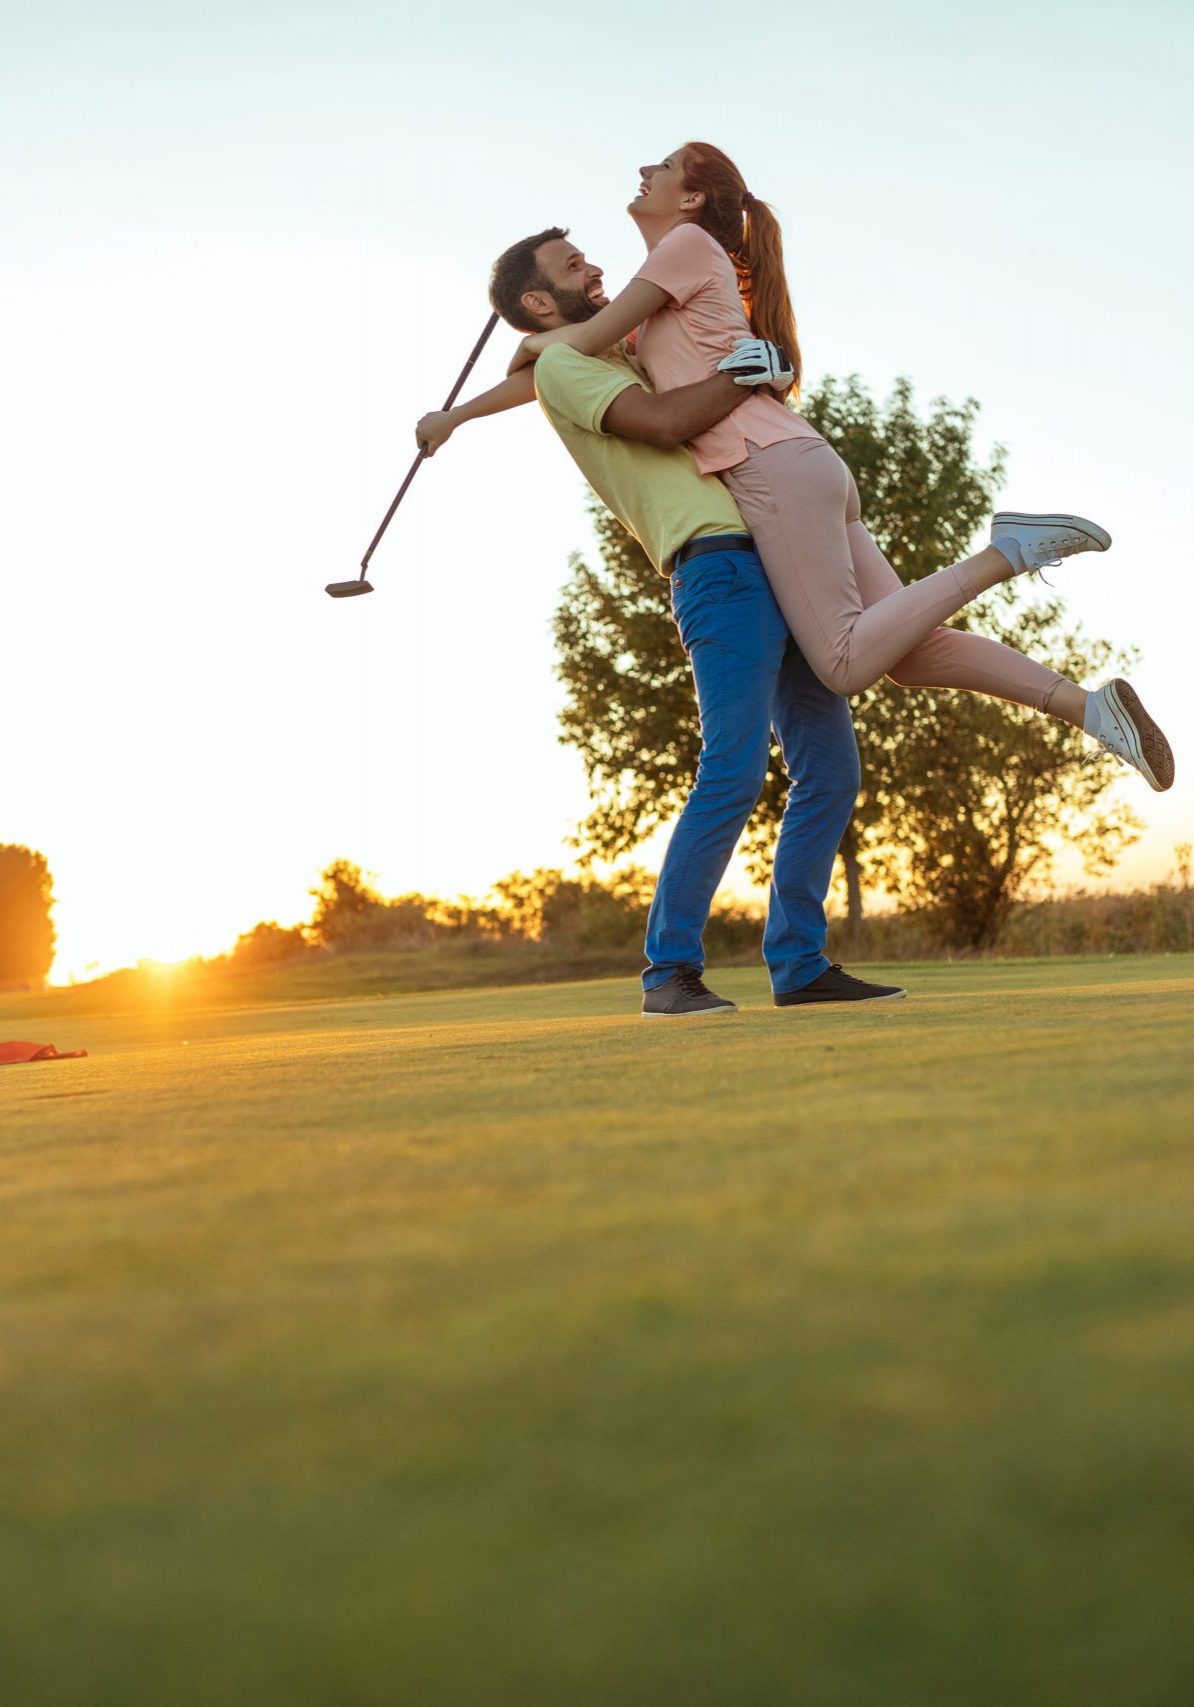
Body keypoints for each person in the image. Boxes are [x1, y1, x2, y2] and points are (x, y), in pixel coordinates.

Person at [507, 144, 1174, 794]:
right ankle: (1091, 709)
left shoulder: (681, 249)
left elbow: (574, 347)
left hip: (767, 468)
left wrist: (529, 343)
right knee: (911, 654)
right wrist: (458, 415)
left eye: (666, 167)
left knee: (845, 661)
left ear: (691, 198)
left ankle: (1008, 551)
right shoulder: (664, 291)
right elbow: (574, 360)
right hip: (800, 463)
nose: (645, 171)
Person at [417, 229, 906, 1014]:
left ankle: (799, 962)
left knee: (831, 768)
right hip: (718, 564)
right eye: (574, 266)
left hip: (775, 547)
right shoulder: (569, 368)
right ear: (538, 301)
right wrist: (748, 374)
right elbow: (659, 421)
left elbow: (539, 366)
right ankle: (668, 971)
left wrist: (461, 414)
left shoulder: (597, 349)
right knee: (734, 767)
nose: (599, 266)